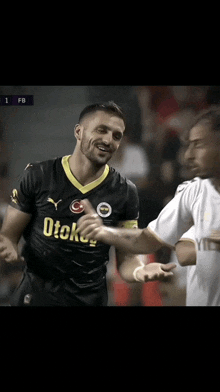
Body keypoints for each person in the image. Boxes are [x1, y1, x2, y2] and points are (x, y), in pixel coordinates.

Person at [0, 101, 175, 306]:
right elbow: (9, 234)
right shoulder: (38, 176)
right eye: (102, 130)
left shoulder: (125, 192)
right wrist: (9, 247)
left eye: (116, 135)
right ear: (79, 132)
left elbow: (127, 259)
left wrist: (138, 271)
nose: (109, 140)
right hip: (35, 299)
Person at [77, 106, 220, 306]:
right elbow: (151, 240)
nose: (188, 155)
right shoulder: (193, 193)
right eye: (189, 145)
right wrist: (103, 232)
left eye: (199, 144)